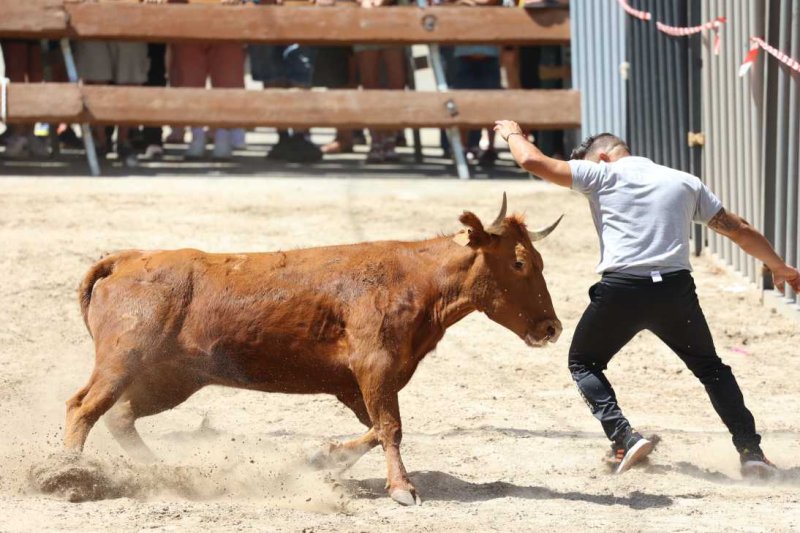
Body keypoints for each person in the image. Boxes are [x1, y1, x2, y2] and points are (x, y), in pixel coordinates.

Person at [493, 120, 800, 477]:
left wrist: (512, 133)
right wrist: (779, 267)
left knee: (583, 362)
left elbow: (531, 161)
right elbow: (739, 229)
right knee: (711, 369)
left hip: (622, 291)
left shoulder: (600, 174)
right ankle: (751, 453)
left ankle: (624, 437)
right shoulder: (684, 182)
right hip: (674, 292)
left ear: (602, 157)